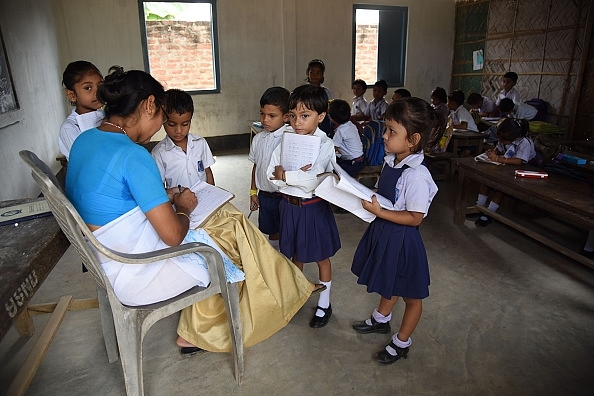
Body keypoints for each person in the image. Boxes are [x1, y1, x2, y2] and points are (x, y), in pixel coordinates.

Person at [66, 67, 314, 356]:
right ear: (149, 105)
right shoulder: (134, 155)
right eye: (161, 116)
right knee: (232, 234)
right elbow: (172, 236)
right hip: (134, 271)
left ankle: (286, 287)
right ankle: (259, 305)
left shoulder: (85, 140)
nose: (162, 126)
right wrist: (182, 207)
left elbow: (113, 198)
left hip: (105, 257)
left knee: (228, 222)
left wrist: (165, 195)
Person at [350, 97, 446, 365]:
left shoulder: (416, 175)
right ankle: (382, 319)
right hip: (386, 232)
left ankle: (402, 342)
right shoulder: (392, 160)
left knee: (411, 296)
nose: (384, 135)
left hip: (403, 240)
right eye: (386, 128)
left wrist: (380, 212)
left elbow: (415, 218)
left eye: (392, 131)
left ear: (413, 140)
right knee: (388, 279)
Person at [267, 84, 341, 329]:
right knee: (295, 254)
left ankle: (324, 303)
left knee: (321, 257)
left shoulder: (325, 144)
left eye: (305, 116)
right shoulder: (287, 139)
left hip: (313, 208)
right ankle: (298, 295)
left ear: (320, 117)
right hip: (289, 206)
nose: (297, 122)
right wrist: (290, 176)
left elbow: (313, 181)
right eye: (293, 115)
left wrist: (286, 175)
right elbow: (270, 174)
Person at [248, 86, 290, 251]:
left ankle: (287, 263)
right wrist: (253, 192)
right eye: (262, 114)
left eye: (272, 116)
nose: (265, 120)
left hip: (284, 198)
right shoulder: (258, 138)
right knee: (271, 231)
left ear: (286, 116)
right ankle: (276, 258)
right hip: (264, 196)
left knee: (287, 231)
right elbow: (256, 166)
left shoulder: (290, 138)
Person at [474, 118, 536, 226]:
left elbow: (519, 161)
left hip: (524, 170)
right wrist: (493, 152)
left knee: (500, 187)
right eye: (499, 139)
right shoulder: (505, 137)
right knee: (486, 180)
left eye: (502, 140)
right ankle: (479, 207)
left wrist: (498, 159)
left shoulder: (524, 142)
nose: (500, 141)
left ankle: (490, 213)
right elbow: (500, 148)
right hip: (507, 166)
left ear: (515, 138)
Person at [151, 89, 215, 188]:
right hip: (177, 203)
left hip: (204, 199)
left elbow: (208, 173)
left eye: (185, 124)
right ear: (163, 120)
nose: (179, 131)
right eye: (172, 124)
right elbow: (159, 187)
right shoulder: (159, 153)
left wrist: (213, 195)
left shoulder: (200, 143)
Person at [59, 60, 105, 159]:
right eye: (88, 88)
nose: (96, 92)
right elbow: (85, 160)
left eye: (100, 86)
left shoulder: (105, 115)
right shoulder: (69, 128)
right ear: (71, 95)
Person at [329, 99, 365, 177]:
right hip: (361, 161)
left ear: (332, 118)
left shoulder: (340, 131)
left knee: (332, 169)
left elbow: (333, 148)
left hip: (352, 164)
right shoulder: (351, 125)